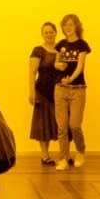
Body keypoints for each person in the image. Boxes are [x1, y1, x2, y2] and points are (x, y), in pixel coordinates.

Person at [52, 14, 91, 167]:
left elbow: (80, 66)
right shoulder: (60, 44)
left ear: (76, 26)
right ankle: (63, 158)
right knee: (62, 126)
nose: (68, 28)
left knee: (74, 125)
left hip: (78, 89)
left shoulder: (82, 45)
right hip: (60, 89)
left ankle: (80, 151)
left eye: (71, 24)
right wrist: (58, 66)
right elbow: (56, 62)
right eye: (65, 25)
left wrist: (71, 79)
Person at [28, 20, 62, 165]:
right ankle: (45, 155)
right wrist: (31, 92)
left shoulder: (62, 48)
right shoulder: (38, 50)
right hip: (42, 92)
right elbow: (31, 73)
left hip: (60, 91)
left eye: (51, 32)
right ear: (42, 34)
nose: (49, 34)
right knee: (43, 124)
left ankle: (64, 155)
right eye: (46, 32)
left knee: (62, 124)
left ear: (56, 33)